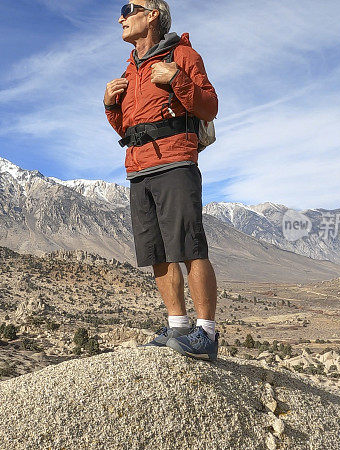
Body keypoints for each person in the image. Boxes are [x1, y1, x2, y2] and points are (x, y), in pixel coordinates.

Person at [104, 0, 219, 360]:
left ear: (152, 15)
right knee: (156, 251)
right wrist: (109, 105)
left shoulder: (183, 55)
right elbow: (127, 127)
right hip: (138, 168)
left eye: (129, 8)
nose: (121, 16)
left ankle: (207, 334)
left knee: (189, 246)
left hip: (175, 162)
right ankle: (178, 324)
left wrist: (178, 80)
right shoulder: (129, 70)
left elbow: (209, 106)